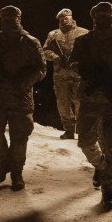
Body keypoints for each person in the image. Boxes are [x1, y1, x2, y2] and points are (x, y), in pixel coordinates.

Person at [70, 2, 112, 210]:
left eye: (106, 16)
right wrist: (87, 73)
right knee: (85, 142)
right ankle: (101, 166)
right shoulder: (83, 41)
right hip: (89, 99)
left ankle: (109, 190)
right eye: (98, 17)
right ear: (94, 19)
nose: (103, 20)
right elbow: (73, 64)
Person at [0, 6, 46, 190]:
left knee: (19, 139)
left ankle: (17, 173)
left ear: (19, 19)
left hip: (20, 99)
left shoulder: (30, 43)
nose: (10, 21)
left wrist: (24, 82)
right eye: (6, 19)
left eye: (13, 18)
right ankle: (4, 163)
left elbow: (41, 69)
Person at [42, 8, 89, 139]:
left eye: (66, 18)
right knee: (62, 104)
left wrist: (79, 60)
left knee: (81, 103)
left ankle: (83, 132)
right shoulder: (53, 34)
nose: (64, 20)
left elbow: (91, 51)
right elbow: (44, 51)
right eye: (61, 18)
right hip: (60, 74)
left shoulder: (83, 33)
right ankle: (69, 130)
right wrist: (55, 56)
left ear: (71, 18)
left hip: (79, 75)